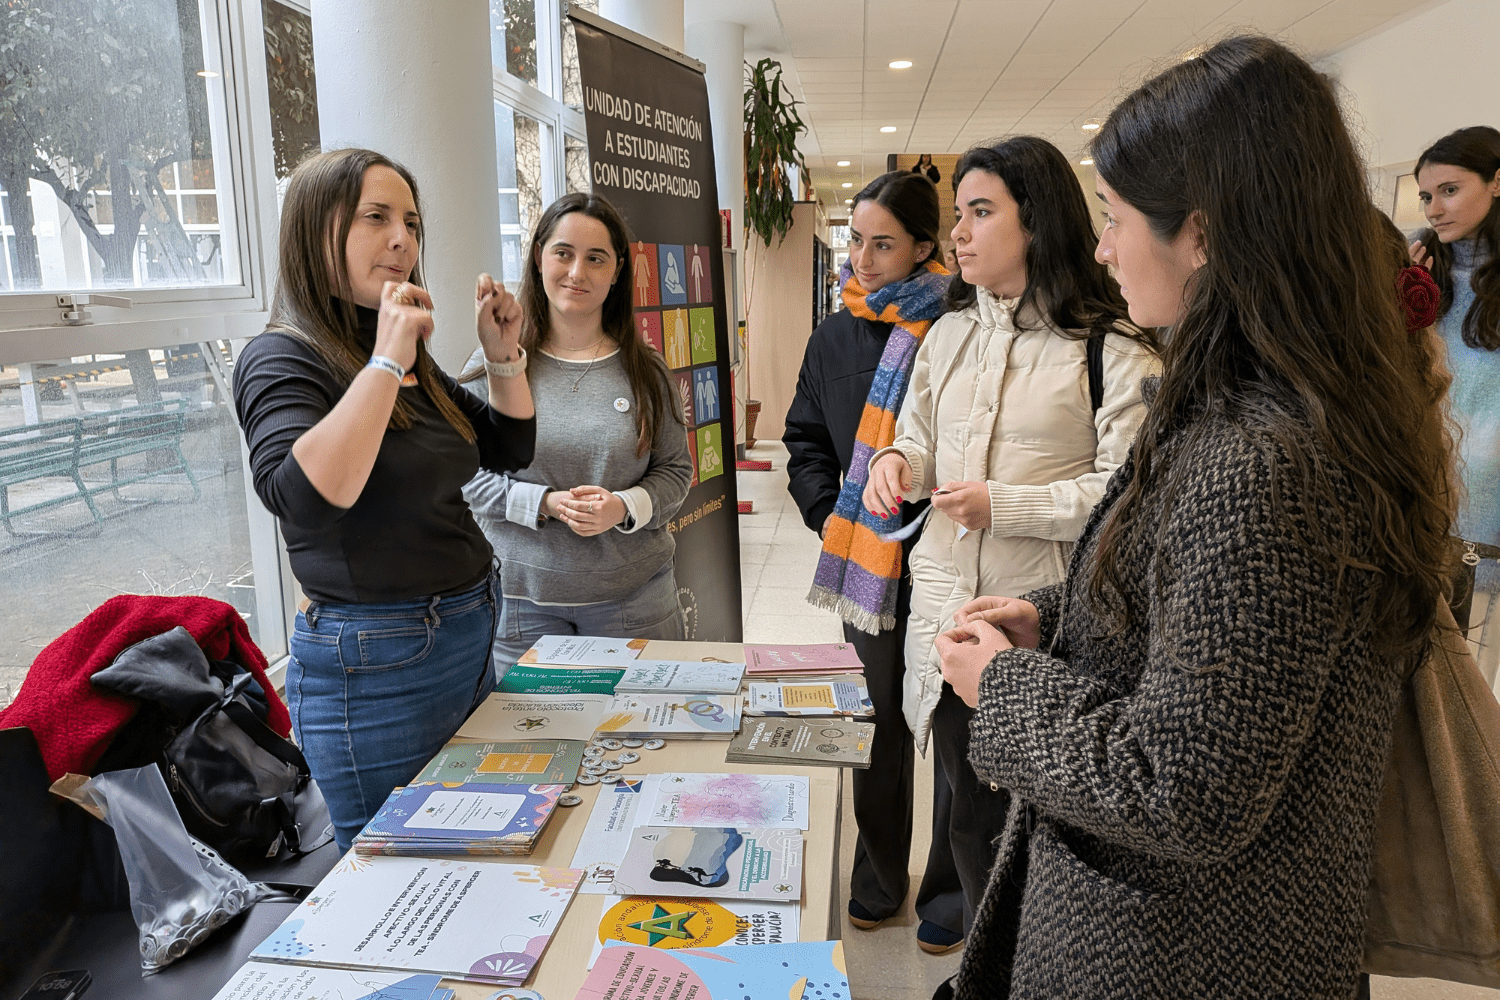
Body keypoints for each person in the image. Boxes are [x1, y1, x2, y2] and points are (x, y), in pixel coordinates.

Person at [935, 36, 1455, 999]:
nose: (1100, 247)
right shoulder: (1262, 401)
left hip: (1183, 951)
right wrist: (1054, 616)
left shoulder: (1265, 461)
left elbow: (1184, 786)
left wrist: (1004, 687)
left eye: (1117, 218)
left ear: (1204, 235)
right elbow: (1209, 618)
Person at [862, 137, 1159, 950]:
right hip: (946, 611)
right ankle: (985, 944)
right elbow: (917, 432)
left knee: (1029, 830)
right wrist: (898, 461)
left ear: (1038, 222)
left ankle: (1020, 957)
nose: (959, 233)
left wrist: (1006, 504)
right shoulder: (950, 332)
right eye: (957, 215)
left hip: (1044, 626)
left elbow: (1127, 494)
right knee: (965, 804)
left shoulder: (1110, 347)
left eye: (981, 213)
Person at [232, 148, 537, 850]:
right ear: (315, 231)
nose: (403, 240)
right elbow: (306, 497)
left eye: (412, 221)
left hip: (467, 630)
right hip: (377, 666)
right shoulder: (283, 356)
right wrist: (386, 361)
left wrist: (501, 356)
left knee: (472, 845)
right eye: (376, 217)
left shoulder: (396, 356)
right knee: (400, 868)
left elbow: (505, 448)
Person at [784, 170, 958, 949]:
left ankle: (952, 891)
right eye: (855, 239)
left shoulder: (963, 325)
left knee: (954, 722)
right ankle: (880, 875)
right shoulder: (835, 334)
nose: (861, 257)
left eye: (882, 243)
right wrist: (829, 517)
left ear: (926, 247)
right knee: (878, 721)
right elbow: (805, 439)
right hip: (869, 566)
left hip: (953, 556)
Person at [461, 192, 692, 671]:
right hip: (520, 604)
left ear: (617, 271)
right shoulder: (497, 364)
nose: (577, 273)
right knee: (530, 746)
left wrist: (623, 508)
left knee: (642, 742)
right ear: (539, 256)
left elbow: (675, 470)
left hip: (637, 604)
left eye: (596, 259)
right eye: (563, 253)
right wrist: (542, 503)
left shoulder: (646, 371)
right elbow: (464, 476)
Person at [1409, 125, 1500, 681]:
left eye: (1449, 190)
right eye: (1426, 195)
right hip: (1433, 486)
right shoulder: (1425, 274)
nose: (1435, 208)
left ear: (1497, 183)